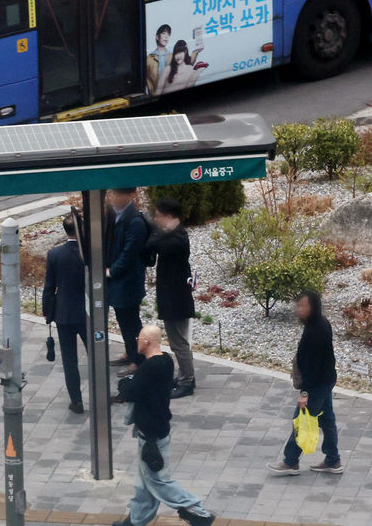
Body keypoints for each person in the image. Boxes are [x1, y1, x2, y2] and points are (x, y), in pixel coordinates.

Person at [113, 325, 215, 526]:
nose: (136, 341)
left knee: (158, 481)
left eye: (139, 338)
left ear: (146, 342)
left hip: (151, 432)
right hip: (157, 427)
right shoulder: (166, 361)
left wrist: (125, 383)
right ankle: (137, 520)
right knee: (145, 482)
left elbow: (129, 391)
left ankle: (197, 511)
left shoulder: (151, 368)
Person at [267, 290, 342, 476]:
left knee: (302, 421)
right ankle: (333, 459)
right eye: (298, 305)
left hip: (317, 385)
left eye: (304, 306)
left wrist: (305, 393)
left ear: (313, 307)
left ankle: (290, 461)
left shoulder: (316, 330)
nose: (299, 309)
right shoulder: (319, 323)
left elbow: (314, 366)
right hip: (325, 381)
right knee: (327, 420)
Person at [145, 197, 196, 399]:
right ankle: (185, 375)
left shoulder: (176, 240)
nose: (156, 219)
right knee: (179, 341)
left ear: (168, 216)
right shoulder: (175, 234)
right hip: (175, 296)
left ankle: (187, 381)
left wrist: (157, 231)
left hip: (175, 298)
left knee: (179, 343)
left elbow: (151, 244)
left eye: (158, 216)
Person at [42, 214, 87, 414]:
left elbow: (49, 287)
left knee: (70, 360)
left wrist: (47, 313)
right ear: (82, 230)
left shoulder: (54, 255)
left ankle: (76, 400)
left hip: (64, 313)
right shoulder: (91, 254)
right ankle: (99, 394)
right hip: (87, 313)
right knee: (96, 355)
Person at [106, 189, 148, 372]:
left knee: (132, 321)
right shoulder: (114, 215)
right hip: (119, 280)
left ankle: (139, 359)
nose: (111, 197)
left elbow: (129, 253)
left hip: (128, 281)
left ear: (129, 195)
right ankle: (130, 352)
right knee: (123, 319)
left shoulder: (135, 221)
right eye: (111, 193)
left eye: (115, 194)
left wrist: (111, 272)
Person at [146, 27, 203, 95]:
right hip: (156, 94)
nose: (166, 37)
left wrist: (195, 52)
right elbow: (147, 80)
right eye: (163, 33)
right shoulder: (149, 59)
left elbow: (186, 63)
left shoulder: (172, 56)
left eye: (168, 34)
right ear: (157, 37)